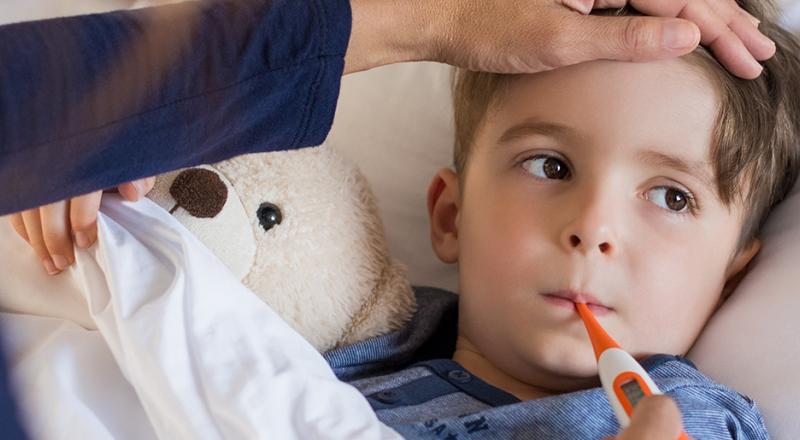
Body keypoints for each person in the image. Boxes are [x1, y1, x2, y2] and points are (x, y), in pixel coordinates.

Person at [0, 0, 780, 437]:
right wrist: (87, 151)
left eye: (671, 196)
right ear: (449, 217)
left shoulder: (697, 417)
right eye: (551, 166)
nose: (593, 227)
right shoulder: (357, 326)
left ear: (732, 276)